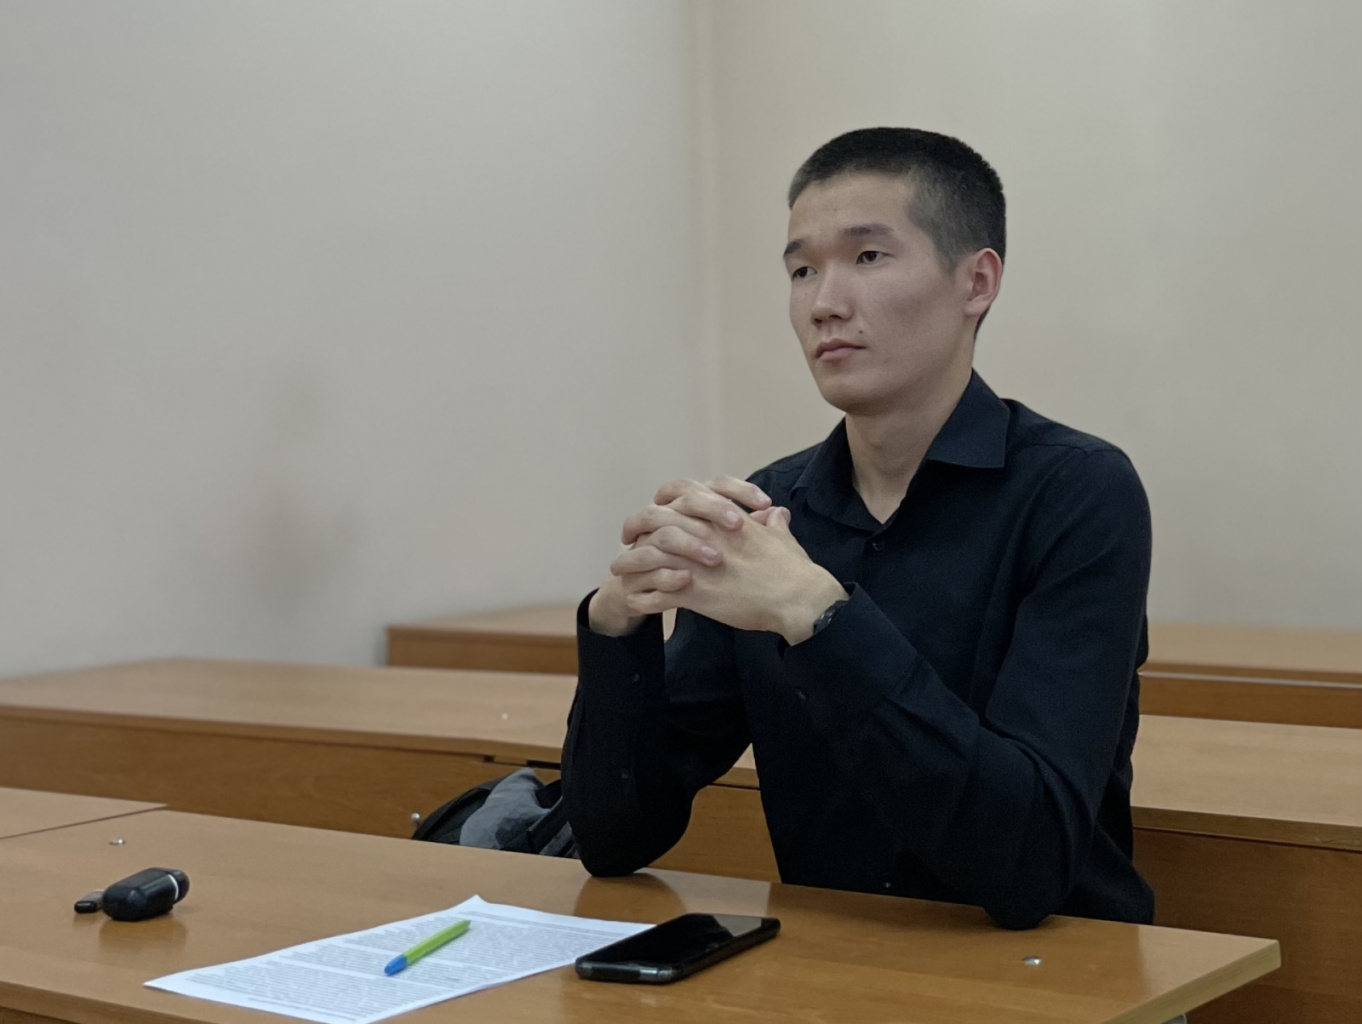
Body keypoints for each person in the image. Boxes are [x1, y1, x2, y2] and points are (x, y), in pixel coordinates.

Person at [561, 127, 1155, 932]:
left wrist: (818, 616)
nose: (824, 303)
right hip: (839, 968)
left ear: (976, 282)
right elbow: (614, 836)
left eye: (868, 257)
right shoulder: (770, 510)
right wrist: (616, 625)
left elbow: (1027, 861)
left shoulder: (1078, 492)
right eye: (802, 270)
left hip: (1059, 964)